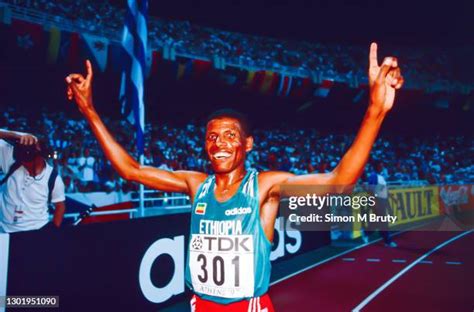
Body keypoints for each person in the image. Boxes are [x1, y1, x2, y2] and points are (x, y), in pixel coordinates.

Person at [66, 42, 403, 311]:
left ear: (247, 144)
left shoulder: (264, 187)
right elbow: (131, 170)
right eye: (212, 137)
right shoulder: (196, 185)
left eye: (230, 136)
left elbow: (338, 181)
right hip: (199, 306)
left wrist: (375, 112)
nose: (220, 144)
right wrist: (90, 111)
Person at [0, 130, 66, 233]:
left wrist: (53, 230)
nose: (24, 161)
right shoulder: (10, 158)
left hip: (35, 232)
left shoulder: (53, 178)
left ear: (40, 155)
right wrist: (17, 136)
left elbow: (60, 205)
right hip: (5, 230)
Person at [361, 160, 397, 247]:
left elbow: (384, 189)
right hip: (377, 201)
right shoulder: (373, 176)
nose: (382, 167)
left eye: (382, 165)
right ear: (376, 166)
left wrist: (391, 197)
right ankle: (387, 241)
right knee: (383, 222)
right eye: (381, 165)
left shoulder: (381, 176)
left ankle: (366, 232)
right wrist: (375, 202)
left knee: (377, 222)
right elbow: (371, 190)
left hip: (382, 201)